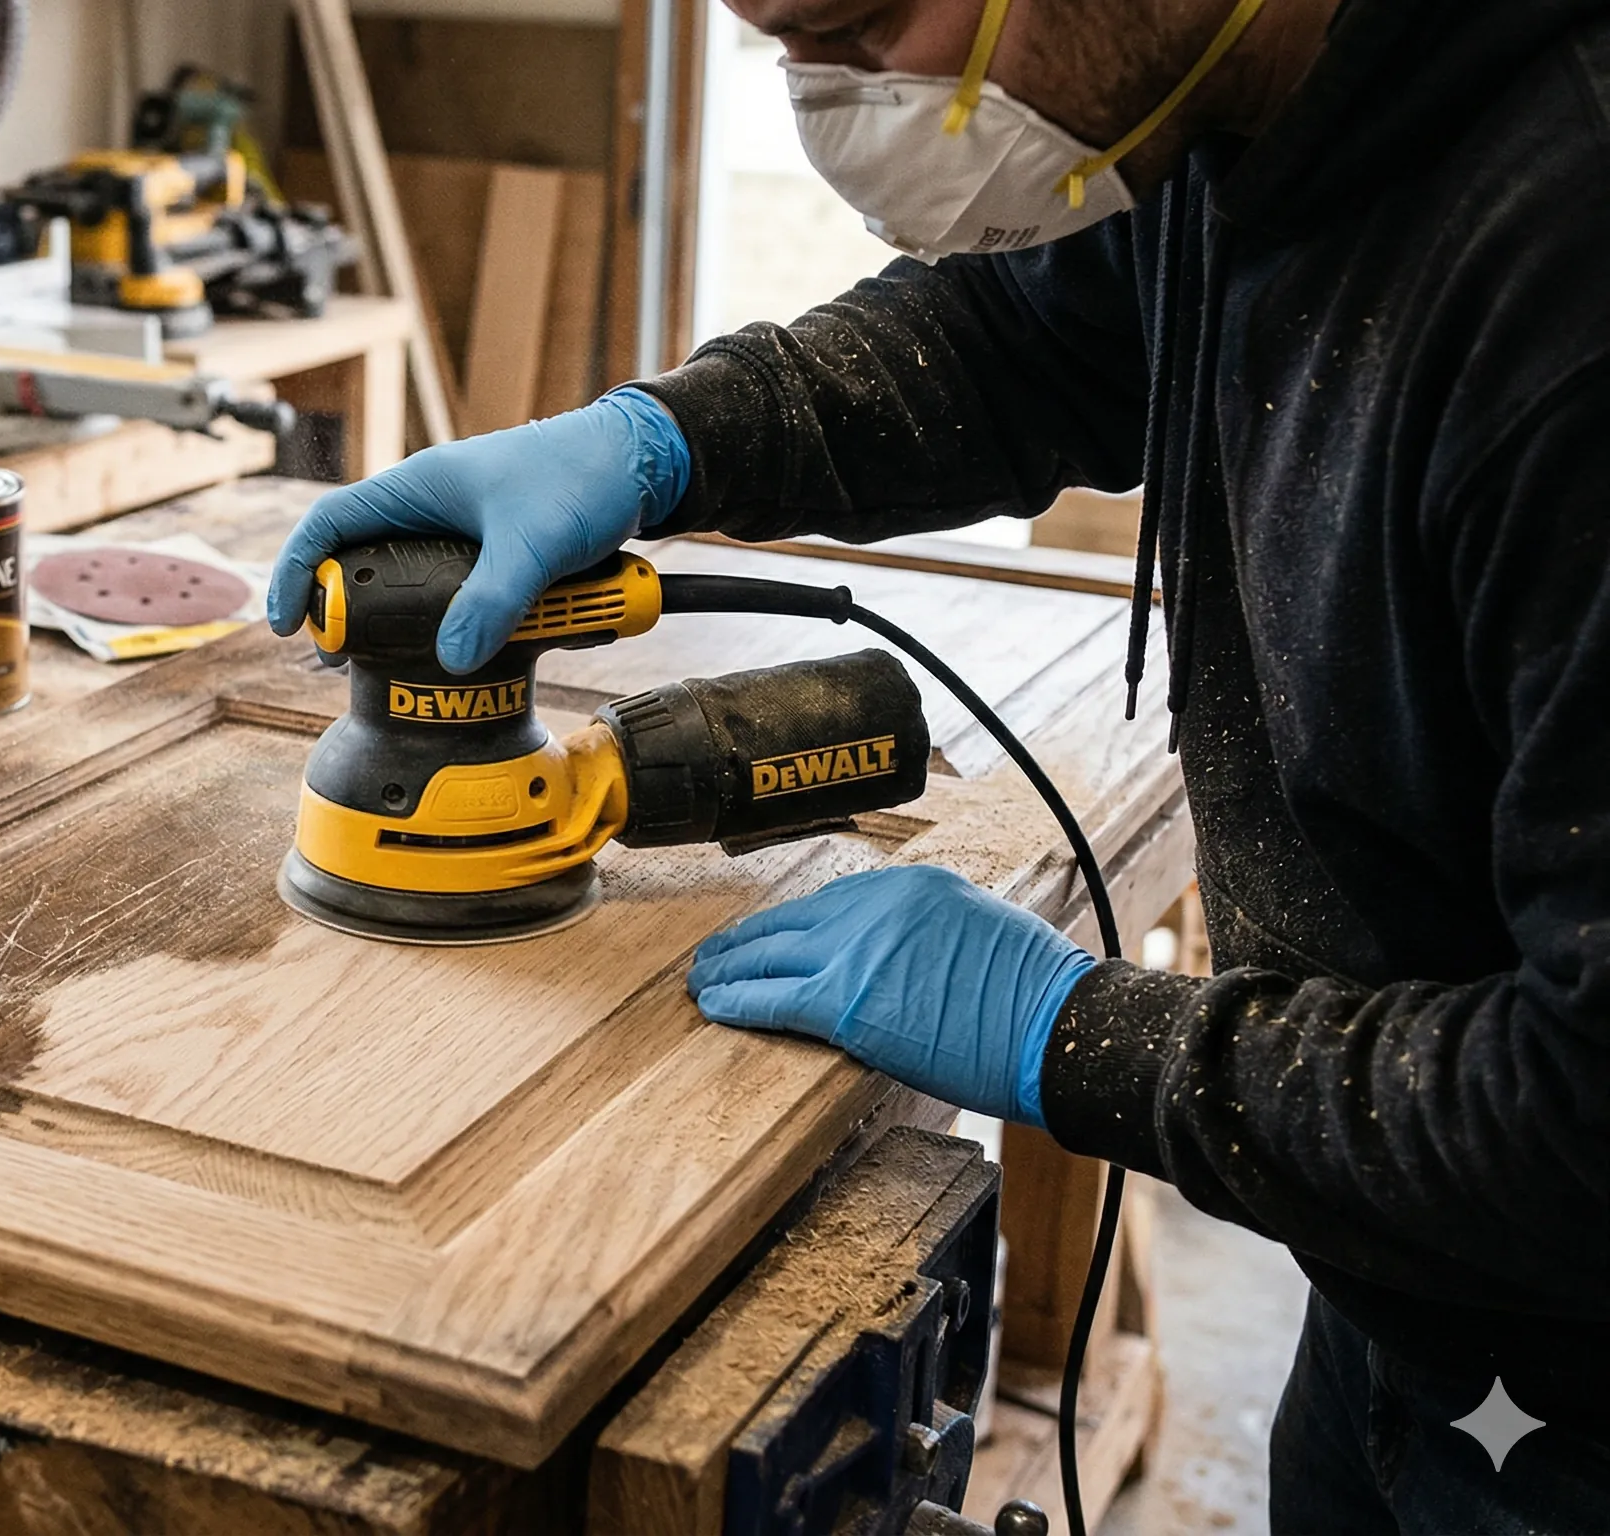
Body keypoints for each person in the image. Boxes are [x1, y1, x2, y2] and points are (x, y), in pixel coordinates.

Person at [266, 0, 1610, 1528]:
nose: (843, 104)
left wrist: (1085, 1038)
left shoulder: (1568, 278)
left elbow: (1585, 1117)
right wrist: (661, 443)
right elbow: (1023, 341)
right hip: (1403, 1309)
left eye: (869, 24)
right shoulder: (1242, 101)